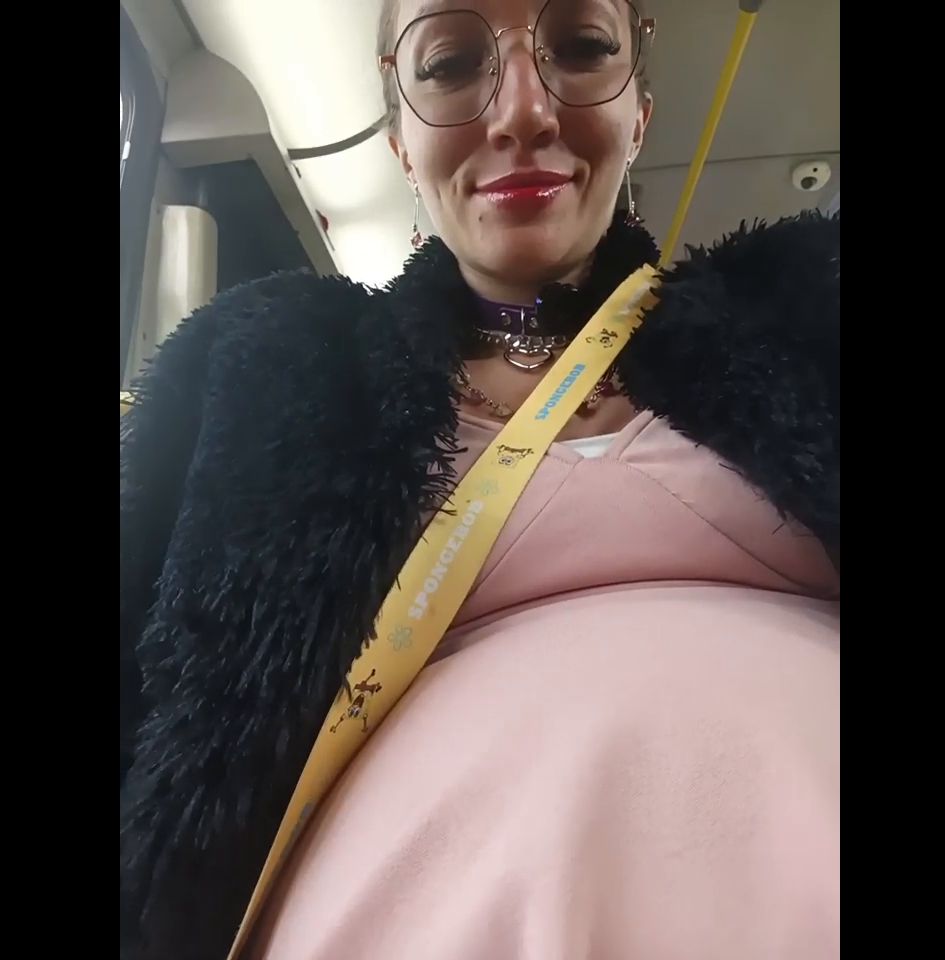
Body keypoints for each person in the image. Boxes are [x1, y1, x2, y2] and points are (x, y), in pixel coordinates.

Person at [120, 1, 840, 958]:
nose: (524, 110)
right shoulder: (273, 370)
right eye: (452, 64)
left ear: (639, 112)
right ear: (400, 141)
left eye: (581, 47)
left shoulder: (806, 308)